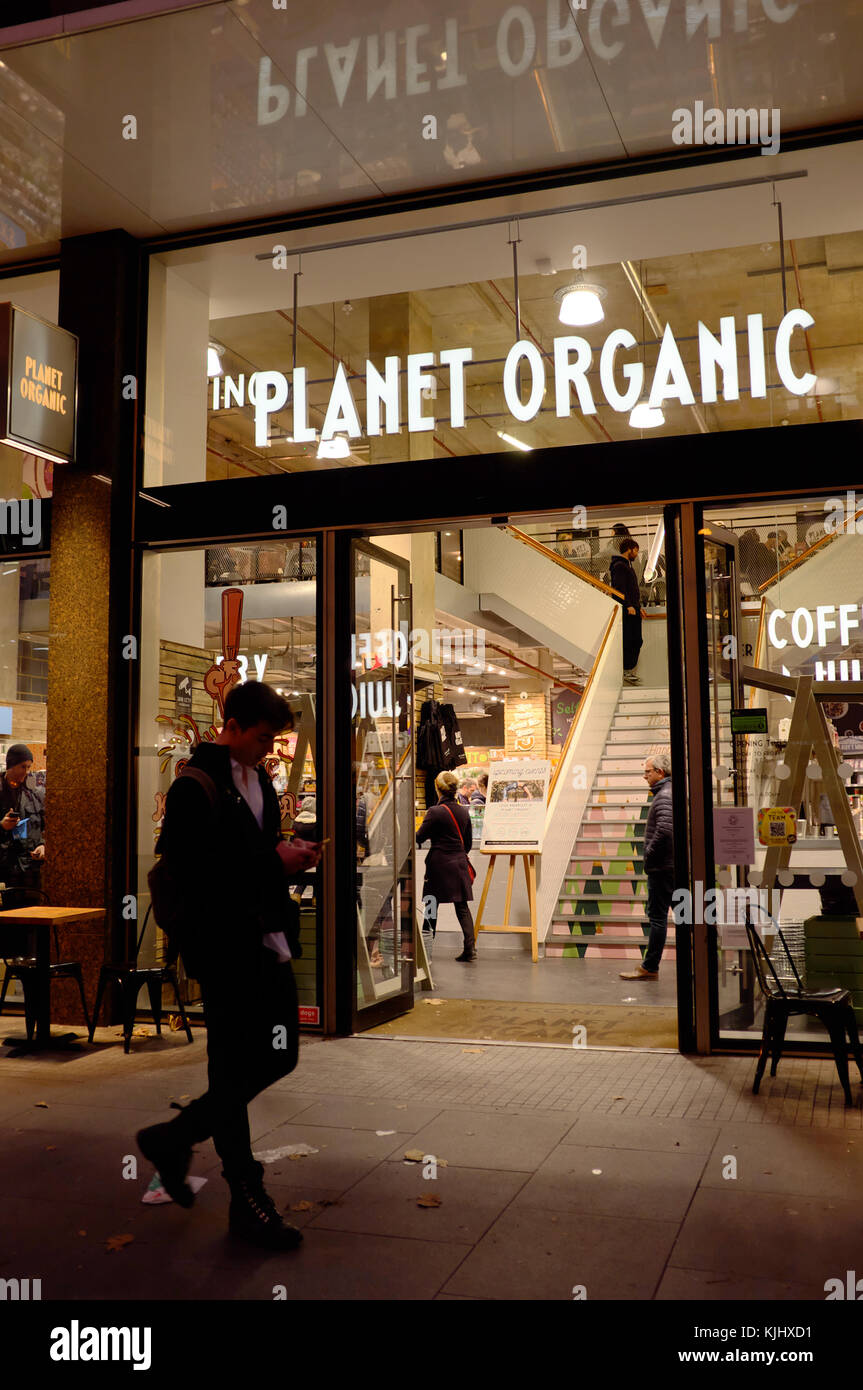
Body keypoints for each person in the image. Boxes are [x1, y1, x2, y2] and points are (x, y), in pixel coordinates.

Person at [136, 681, 322, 1251]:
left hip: (263, 940)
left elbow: (248, 861)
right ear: (233, 726)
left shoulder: (259, 779)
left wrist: (287, 861)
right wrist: (274, 861)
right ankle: (247, 1198)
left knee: (277, 1054)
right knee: (236, 1068)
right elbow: (195, 870)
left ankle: (175, 1136)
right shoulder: (197, 784)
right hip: (223, 947)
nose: (268, 750)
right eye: (263, 738)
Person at [621, 752, 674, 981]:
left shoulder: (664, 796)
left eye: (647, 771)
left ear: (659, 772)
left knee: (658, 917)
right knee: (683, 916)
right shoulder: (670, 792)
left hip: (663, 868)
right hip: (671, 866)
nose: (645, 776)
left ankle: (650, 967)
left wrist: (648, 854)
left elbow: (664, 830)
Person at [416, 770, 476, 962]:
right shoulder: (463, 811)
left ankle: (426, 950)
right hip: (458, 864)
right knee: (462, 907)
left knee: (432, 905)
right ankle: (470, 949)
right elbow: (467, 843)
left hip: (438, 866)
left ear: (438, 789)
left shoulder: (435, 812)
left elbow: (419, 837)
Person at [0, 744, 46, 893]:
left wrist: (42, 845)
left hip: (28, 869)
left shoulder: (33, 794)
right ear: (10, 766)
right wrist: (1, 826)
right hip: (4, 870)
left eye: (28, 767)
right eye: (22, 767)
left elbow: (42, 826)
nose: (26, 772)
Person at [609, 537, 647, 686]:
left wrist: (638, 607)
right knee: (632, 640)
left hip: (633, 608)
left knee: (636, 640)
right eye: (636, 550)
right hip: (628, 610)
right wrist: (629, 606)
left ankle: (627, 670)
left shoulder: (625, 565)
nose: (637, 554)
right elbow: (620, 588)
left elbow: (629, 589)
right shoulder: (620, 565)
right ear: (629, 549)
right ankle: (625, 670)